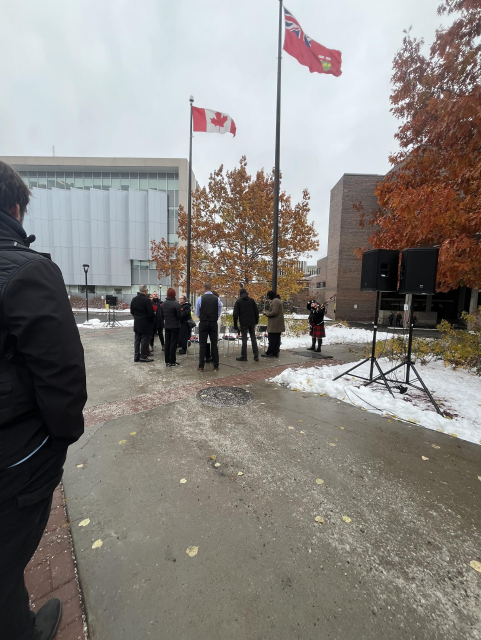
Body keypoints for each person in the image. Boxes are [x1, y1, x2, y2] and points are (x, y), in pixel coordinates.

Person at [0, 160, 87, 640]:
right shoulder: (29, 271)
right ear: (15, 207)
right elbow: (64, 379)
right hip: (15, 466)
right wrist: (56, 444)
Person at [196, 283, 222, 371]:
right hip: (213, 322)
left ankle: (201, 366)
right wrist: (214, 318)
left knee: (202, 344)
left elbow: (197, 312)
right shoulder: (217, 299)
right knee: (214, 344)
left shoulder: (200, 299)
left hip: (203, 322)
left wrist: (202, 317)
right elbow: (219, 310)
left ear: (204, 289)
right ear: (210, 289)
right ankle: (216, 365)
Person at [233, 288, 259, 362]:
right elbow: (256, 311)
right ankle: (256, 355)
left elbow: (235, 314)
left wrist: (235, 324)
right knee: (253, 338)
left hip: (243, 322)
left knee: (244, 339)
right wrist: (256, 322)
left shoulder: (238, 302)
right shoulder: (251, 300)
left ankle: (244, 356)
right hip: (252, 322)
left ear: (240, 294)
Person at [130, 285, 154, 362]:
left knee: (137, 339)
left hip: (137, 322)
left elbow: (132, 311)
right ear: (145, 290)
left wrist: (137, 317)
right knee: (144, 340)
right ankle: (143, 356)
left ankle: (136, 356)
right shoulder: (147, 300)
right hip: (145, 323)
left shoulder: (134, 299)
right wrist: (151, 320)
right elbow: (151, 313)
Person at [159, 287, 181, 366]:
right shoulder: (176, 304)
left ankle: (167, 361)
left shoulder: (163, 304)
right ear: (174, 295)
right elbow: (179, 316)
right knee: (173, 344)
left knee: (167, 343)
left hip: (167, 326)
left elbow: (162, 316)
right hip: (175, 326)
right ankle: (172, 361)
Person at [262, 290, 285, 358]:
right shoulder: (278, 300)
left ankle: (270, 352)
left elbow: (274, 312)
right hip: (278, 323)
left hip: (274, 323)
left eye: (268, 297)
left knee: (272, 338)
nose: (268, 298)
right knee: (277, 339)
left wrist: (266, 313)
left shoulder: (275, 301)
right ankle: (275, 352)